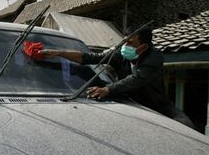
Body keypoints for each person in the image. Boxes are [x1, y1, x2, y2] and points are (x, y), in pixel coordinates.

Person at [40, 26, 195, 128]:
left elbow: (136, 79)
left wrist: (108, 89)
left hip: (158, 109)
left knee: (188, 128)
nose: (125, 45)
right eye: (124, 40)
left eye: (130, 42)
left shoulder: (154, 59)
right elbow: (91, 58)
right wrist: (59, 53)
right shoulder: (121, 55)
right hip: (131, 106)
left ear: (143, 47)